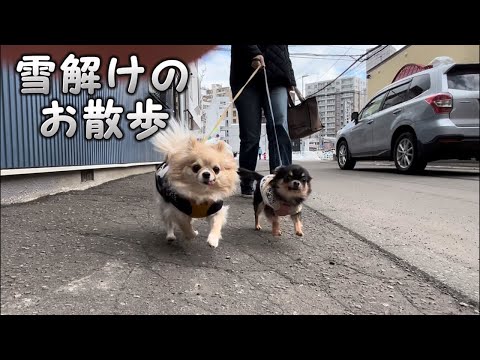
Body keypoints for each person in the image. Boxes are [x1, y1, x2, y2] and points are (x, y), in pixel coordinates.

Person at [230, 45, 296, 197]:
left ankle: (282, 181)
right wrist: (254, 53)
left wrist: (290, 78)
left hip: (278, 77)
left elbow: (284, 50)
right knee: (250, 135)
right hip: (246, 74)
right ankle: (247, 180)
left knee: (279, 127)